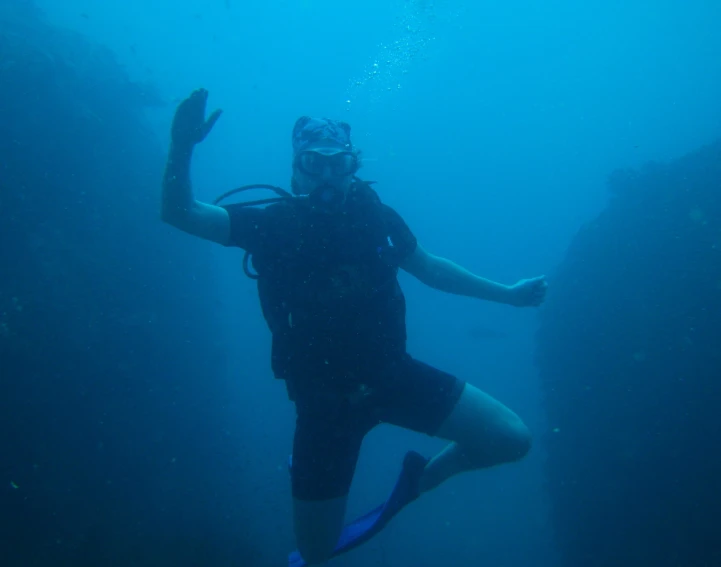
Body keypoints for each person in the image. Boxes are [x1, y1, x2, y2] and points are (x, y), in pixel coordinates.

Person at [161, 88, 547, 566]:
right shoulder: (272, 225)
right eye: (313, 162)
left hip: (394, 377)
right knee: (315, 553)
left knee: (512, 439)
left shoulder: (377, 219)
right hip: (324, 409)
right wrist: (182, 146)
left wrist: (508, 294)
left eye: (338, 162)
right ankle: (304, 472)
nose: (327, 174)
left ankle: (422, 479)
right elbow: (180, 213)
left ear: (353, 165)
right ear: (296, 170)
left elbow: (431, 269)